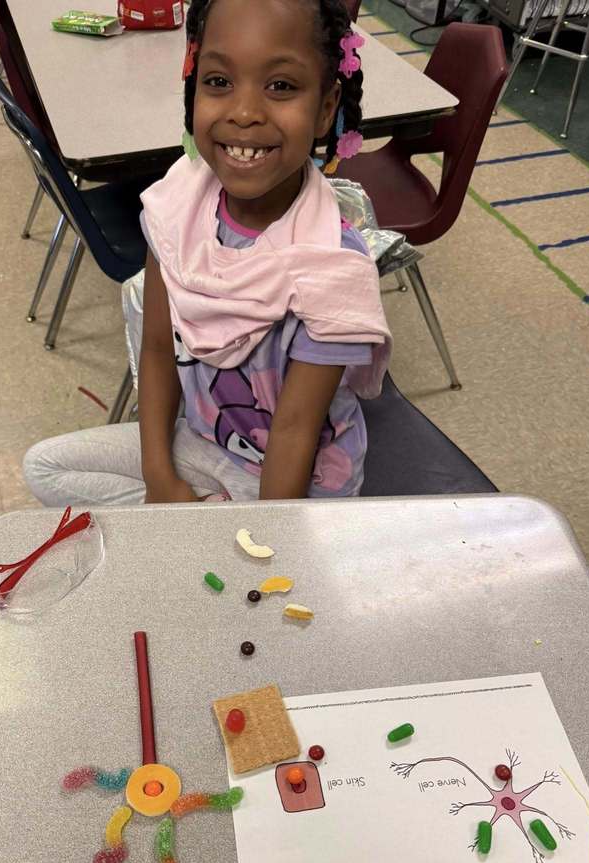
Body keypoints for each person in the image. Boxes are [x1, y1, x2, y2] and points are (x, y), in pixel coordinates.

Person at [24, 0, 391, 506]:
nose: (244, 113)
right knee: (47, 469)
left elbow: (293, 433)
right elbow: (156, 351)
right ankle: (203, 516)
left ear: (327, 108)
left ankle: (213, 525)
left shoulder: (330, 269)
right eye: (219, 82)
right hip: (209, 444)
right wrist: (160, 481)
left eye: (280, 86)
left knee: (251, 567)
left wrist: (258, 543)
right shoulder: (175, 208)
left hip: (298, 484)